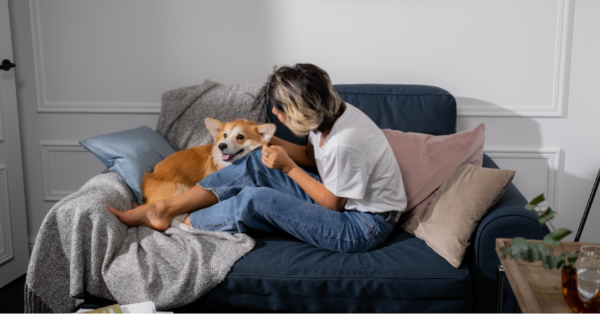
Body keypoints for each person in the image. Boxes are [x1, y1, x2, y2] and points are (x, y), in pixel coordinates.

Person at [108, 63, 407, 253]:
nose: (275, 114)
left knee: (256, 199)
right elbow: (311, 158)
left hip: (361, 227)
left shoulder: (346, 142)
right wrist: (258, 139)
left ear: (300, 111)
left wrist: (287, 167)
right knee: (253, 162)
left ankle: (185, 221)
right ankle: (163, 207)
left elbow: (332, 203)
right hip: (344, 205)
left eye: (279, 110)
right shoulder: (327, 115)